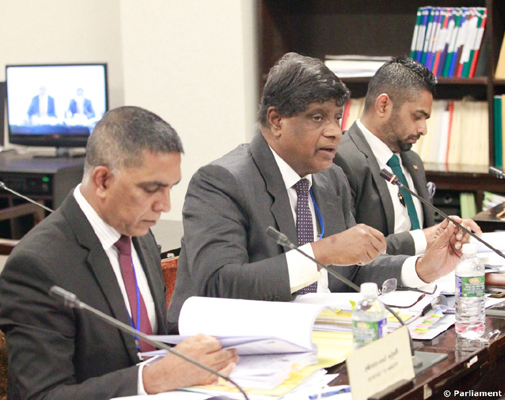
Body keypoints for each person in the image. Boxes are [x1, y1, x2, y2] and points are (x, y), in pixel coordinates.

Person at [168, 52, 470, 332]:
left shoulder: (330, 178)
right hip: (236, 345)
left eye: (337, 117)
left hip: (323, 336)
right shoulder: (222, 182)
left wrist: (420, 268)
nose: (335, 131)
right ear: (276, 120)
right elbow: (219, 285)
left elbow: (352, 271)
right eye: (317, 117)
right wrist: (322, 252)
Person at [0, 106, 237, 399]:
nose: (165, 205)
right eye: (152, 189)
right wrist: (151, 379)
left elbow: (146, 342)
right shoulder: (36, 267)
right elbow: (41, 395)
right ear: (103, 181)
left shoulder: (138, 234)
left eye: (170, 188)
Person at [334, 56, 481, 256]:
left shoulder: (412, 160)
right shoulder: (341, 160)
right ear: (383, 105)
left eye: (425, 119)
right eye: (417, 116)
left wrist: (448, 232)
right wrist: (424, 238)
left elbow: (426, 232)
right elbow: (346, 252)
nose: (423, 129)